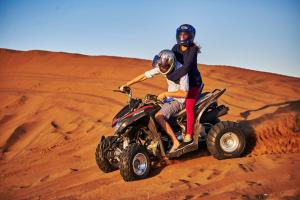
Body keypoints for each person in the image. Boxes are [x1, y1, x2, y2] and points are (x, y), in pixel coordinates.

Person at [120, 50, 189, 153]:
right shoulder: (163, 66)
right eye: (161, 66)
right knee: (149, 108)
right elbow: (145, 75)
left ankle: (176, 142)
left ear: (171, 63)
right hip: (169, 98)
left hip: (179, 100)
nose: (162, 69)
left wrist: (166, 94)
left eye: (164, 67)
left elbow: (185, 93)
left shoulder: (182, 71)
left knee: (158, 116)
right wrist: (128, 84)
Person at [167, 24, 204, 148]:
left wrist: (171, 77)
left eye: (185, 35)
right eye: (181, 34)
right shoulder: (175, 48)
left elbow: (186, 67)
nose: (182, 37)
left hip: (193, 84)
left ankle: (189, 135)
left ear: (191, 36)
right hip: (180, 83)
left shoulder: (192, 49)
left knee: (188, 107)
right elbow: (171, 63)